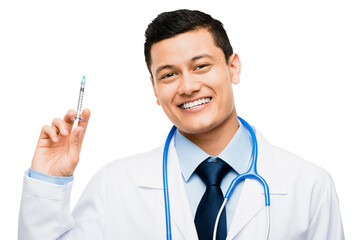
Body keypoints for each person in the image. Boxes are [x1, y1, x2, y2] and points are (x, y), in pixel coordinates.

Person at [18, 9, 344, 240]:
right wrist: (48, 182)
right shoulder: (115, 186)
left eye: (201, 66)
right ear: (155, 91)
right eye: (169, 74)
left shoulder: (309, 185)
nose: (187, 86)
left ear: (233, 68)